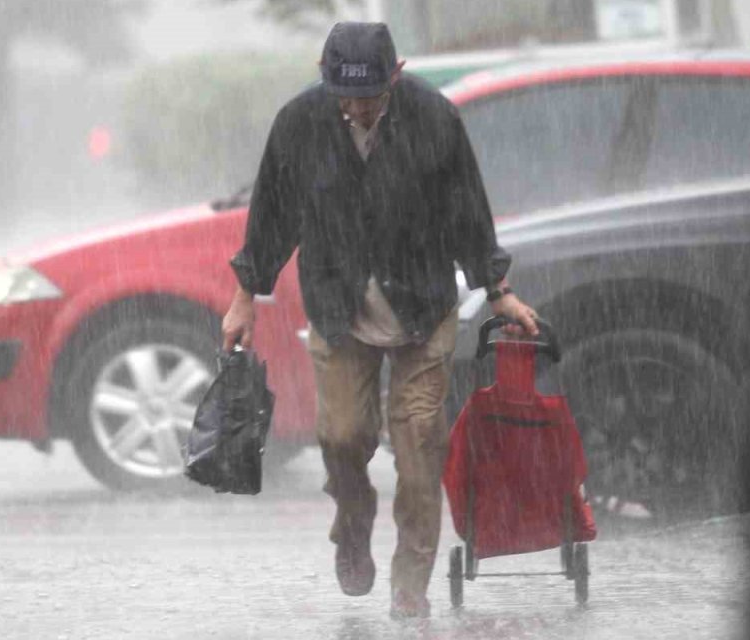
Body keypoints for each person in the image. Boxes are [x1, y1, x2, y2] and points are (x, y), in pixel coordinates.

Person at [222, 22, 538, 619]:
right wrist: (245, 296)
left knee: (420, 441)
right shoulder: (299, 124)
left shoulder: (434, 119)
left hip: (421, 305)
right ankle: (353, 523)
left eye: (371, 97)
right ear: (327, 79)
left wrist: (498, 290)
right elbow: (271, 215)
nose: (360, 108)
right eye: (347, 97)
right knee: (342, 437)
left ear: (396, 76)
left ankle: (409, 587)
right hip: (339, 309)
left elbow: (469, 209)